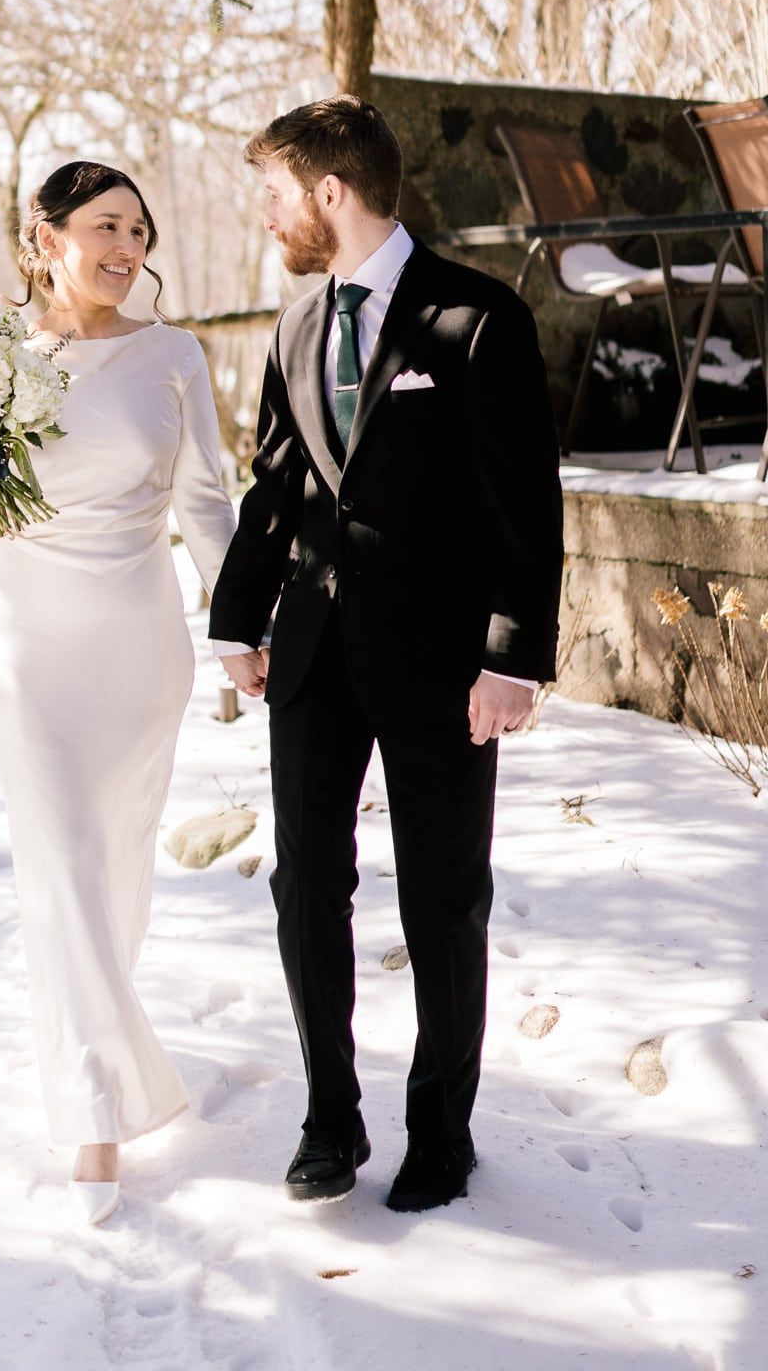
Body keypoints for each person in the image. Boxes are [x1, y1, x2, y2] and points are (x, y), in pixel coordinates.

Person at [209, 96, 563, 1213]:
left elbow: (526, 510)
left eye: (274, 193)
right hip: (311, 654)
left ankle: (440, 1131)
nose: (266, 216)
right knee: (305, 887)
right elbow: (277, 483)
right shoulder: (296, 322)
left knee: (443, 900)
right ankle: (329, 1120)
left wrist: (513, 656)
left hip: (444, 664)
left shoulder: (479, 318)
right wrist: (237, 615)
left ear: (328, 191)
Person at [0, 161, 235, 1227]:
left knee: (113, 869)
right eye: (107, 225)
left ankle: (97, 1063)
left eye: (139, 229)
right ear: (47, 235)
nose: (128, 246)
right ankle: (96, 1115)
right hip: (26, 640)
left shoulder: (173, 355)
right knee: (62, 858)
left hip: (136, 639)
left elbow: (208, 500)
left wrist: (243, 622)